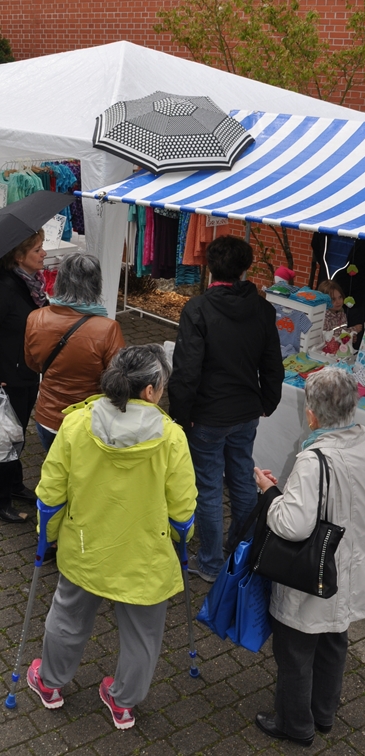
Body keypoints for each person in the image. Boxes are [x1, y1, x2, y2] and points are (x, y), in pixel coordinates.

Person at [27, 345, 197, 730]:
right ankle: (123, 703)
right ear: (151, 391)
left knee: (68, 616)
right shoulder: (172, 438)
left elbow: (50, 496)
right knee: (143, 634)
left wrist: (46, 538)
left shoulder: (75, 424)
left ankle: (50, 683)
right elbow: (183, 511)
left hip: (85, 547)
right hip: (145, 556)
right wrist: (181, 539)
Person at [253, 367, 365, 747]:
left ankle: (294, 724)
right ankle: (323, 714)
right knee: (335, 642)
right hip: (350, 572)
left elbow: (293, 525)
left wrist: (269, 493)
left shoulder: (312, 459)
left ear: (312, 414)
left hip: (312, 575)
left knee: (295, 651)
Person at [168, 235, 284, 582]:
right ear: (246, 268)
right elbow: (273, 365)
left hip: (209, 415)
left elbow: (186, 369)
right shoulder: (262, 308)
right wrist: (266, 402)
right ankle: (240, 549)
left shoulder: (199, 309)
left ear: (209, 266)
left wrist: (180, 413)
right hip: (244, 412)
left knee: (209, 486)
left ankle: (211, 561)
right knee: (243, 481)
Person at [24, 253, 125, 451]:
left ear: (60, 280)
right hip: (89, 420)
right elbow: (117, 382)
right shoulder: (107, 328)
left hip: (47, 416)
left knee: (56, 473)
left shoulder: (35, 318)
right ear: (96, 284)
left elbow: (33, 364)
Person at [0, 229, 47, 521]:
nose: (44, 253)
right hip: (9, 376)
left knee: (18, 435)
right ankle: (2, 499)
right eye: (37, 250)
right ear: (19, 257)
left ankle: (15, 485)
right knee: (6, 438)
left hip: (28, 371)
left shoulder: (31, 284)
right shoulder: (5, 288)